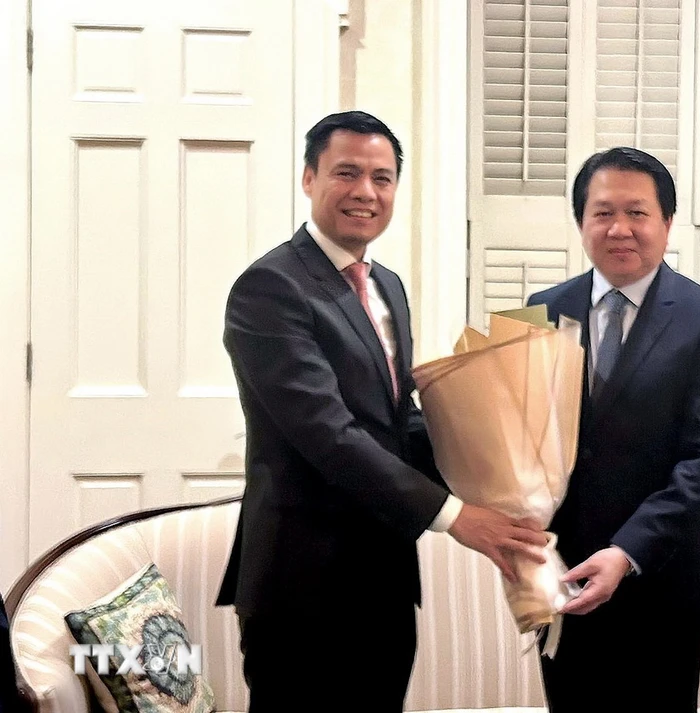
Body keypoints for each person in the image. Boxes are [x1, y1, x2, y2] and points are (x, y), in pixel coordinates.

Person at [216, 110, 546, 712]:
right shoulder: (270, 288)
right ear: (309, 178)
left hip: (385, 577)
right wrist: (455, 515)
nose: (366, 192)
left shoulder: (386, 285)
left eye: (382, 177)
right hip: (302, 584)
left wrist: (501, 481)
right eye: (347, 173)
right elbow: (329, 435)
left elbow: (399, 422)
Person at [526, 147, 700, 711]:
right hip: (565, 583)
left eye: (637, 212)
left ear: (666, 222)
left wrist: (625, 552)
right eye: (602, 213)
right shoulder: (542, 310)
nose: (619, 228)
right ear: (581, 223)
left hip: (660, 590)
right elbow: (521, 438)